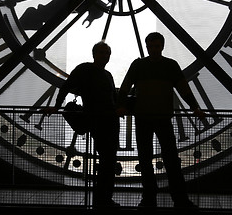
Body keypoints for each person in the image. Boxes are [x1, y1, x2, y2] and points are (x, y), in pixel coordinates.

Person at [117, 32, 205, 208]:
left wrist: (120, 106)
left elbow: (124, 88)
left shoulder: (138, 65)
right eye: (153, 46)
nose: (154, 49)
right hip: (163, 118)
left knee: (145, 159)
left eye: (154, 46)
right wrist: (195, 107)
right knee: (171, 160)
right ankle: (180, 199)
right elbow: (183, 89)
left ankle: (149, 198)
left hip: (143, 118)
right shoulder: (171, 66)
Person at [45, 41, 120, 207]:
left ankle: (101, 199)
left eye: (105, 53)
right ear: (96, 54)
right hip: (108, 122)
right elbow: (112, 99)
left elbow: (66, 87)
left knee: (106, 161)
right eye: (103, 53)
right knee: (108, 162)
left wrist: (57, 106)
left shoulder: (84, 70)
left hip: (98, 121)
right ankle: (104, 199)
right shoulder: (107, 75)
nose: (104, 55)